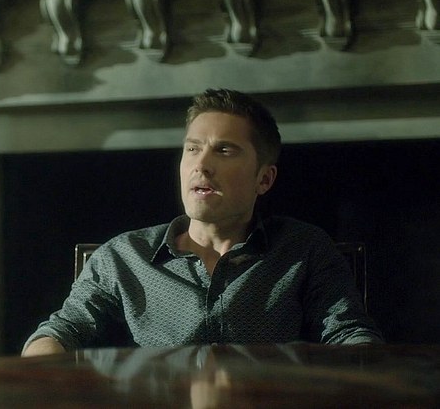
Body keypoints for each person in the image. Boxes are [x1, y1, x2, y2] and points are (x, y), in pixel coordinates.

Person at [22, 88, 383, 357]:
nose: (201, 165)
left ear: (264, 179)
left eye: (224, 150)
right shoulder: (123, 257)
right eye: (193, 148)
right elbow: (60, 331)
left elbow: (351, 335)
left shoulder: (302, 250)